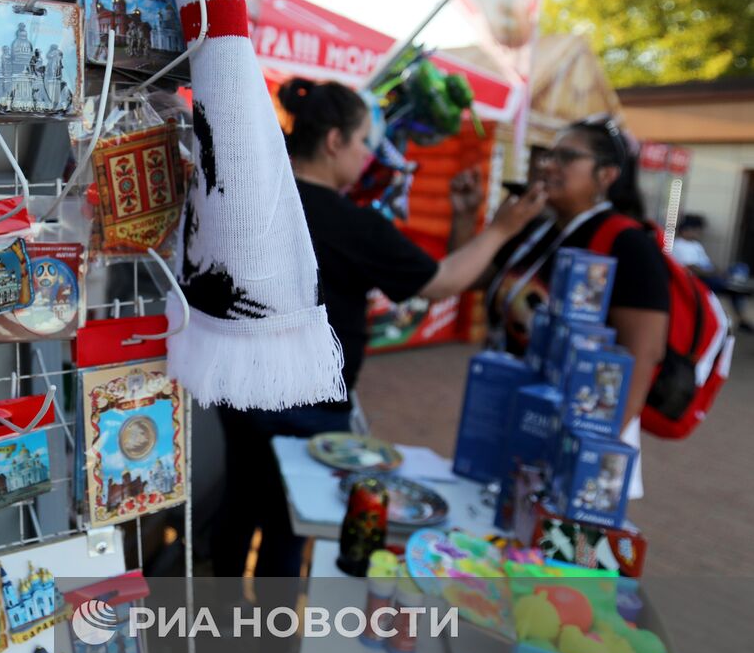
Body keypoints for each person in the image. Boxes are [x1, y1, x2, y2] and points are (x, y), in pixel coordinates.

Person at [209, 78, 546, 579]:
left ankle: (218, 632)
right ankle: (264, 647)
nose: (370, 155)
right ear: (334, 141)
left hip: (239, 393)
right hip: (308, 411)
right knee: (285, 534)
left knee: (236, 516)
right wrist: (501, 228)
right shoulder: (351, 224)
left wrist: (460, 217)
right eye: (365, 140)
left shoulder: (247, 199)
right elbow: (441, 282)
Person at [485, 115, 670, 490]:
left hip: (577, 440)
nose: (546, 164)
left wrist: (586, 458)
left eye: (565, 157)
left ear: (606, 176)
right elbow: (474, 279)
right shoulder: (538, 229)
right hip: (514, 411)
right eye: (547, 155)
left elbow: (642, 356)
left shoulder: (629, 245)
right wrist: (466, 213)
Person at [670, 213, 753, 332]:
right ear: (686, 230)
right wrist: (716, 273)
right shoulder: (679, 245)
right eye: (696, 230)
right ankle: (735, 287)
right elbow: (692, 269)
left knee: (740, 267)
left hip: (711, 274)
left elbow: (708, 263)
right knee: (734, 288)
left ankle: (735, 284)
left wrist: (719, 271)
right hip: (700, 280)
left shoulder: (696, 244)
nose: (699, 233)